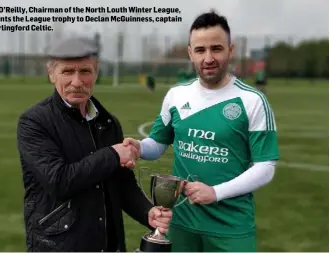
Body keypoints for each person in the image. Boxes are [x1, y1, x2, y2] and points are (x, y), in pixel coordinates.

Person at [123, 10, 279, 252]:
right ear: (190, 53)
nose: (208, 58)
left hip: (231, 228)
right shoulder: (176, 96)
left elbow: (265, 167)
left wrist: (215, 193)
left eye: (216, 48)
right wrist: (140, 147)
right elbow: (158, 143)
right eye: (200, 50)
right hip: (181, 223)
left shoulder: (252, 100)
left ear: (231, 50)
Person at [16, 37, 172, 252]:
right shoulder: (34, 122)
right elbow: (59, 181)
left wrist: (148, 212)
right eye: (67, 71)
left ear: (96, 73)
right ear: (51, 74)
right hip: (59, 246)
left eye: (85, 71)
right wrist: (113, 154)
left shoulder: (108, 122)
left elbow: (122, 184)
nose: (77, 81)